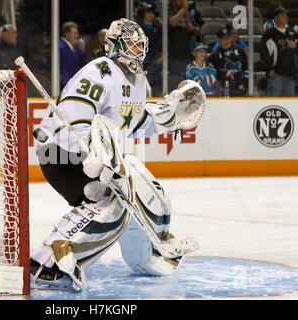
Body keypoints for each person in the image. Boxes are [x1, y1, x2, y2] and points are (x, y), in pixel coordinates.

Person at [29, 18, 205, 291]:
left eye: (141, 45)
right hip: (62, 151)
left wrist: (166, 118)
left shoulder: (137, 80)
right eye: (132, 44)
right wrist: (93, 148)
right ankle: (47, 265)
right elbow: (75, 116)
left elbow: (133, 124)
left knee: (134, 193)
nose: (138, 50)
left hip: (95, 154)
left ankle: (147, 256)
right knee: (110, 201)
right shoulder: (101, 70)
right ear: (115, 45)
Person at [260, 7, 298, 97]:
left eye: (286, 15)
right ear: (276, 18)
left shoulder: (292, 32)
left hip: (290, 75)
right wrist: (269, 69)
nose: (286, 17)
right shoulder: (269, 34)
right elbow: (264, 53)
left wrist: (295, 46)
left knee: (288, 106)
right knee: (275, 104)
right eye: (282, 15)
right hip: (276, 74)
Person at [168, 0, 201, 91]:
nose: (183, 1)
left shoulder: (187, 14)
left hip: (188, 54)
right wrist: (183, 9)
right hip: (175, 56)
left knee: (189, 83)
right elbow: (172, 23)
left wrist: (192, 28)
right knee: (177, 84)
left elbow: (198, 30)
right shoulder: (169, 11)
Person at [208, 27, 248, 97]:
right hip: (222, 90)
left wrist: (244, 81)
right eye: (224, 38)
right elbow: (212, 75)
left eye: (228, 37)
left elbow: (246, 68)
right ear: (218, 39)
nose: (227, 40)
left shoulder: (240, 51)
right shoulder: (213, 56)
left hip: (240, 88)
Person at [136, 2, 163, 97]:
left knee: (154, 82)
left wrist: (162, 56)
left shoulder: (158, 27)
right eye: (148, 12)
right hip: (141, 59)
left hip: (155, 60)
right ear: (144, 13)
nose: (150, 14)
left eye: (152, 12)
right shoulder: (137, 26)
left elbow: (162, 43)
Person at [59, 21, 86, 89]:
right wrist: (68, 87)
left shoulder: (71, 47)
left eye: (77, 33)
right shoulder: (61, 47)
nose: (77, 35)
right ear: (66, 33)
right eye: (74, 33)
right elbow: (63, 70)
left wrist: (81, 49)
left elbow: (80, 64)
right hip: (67, 87)